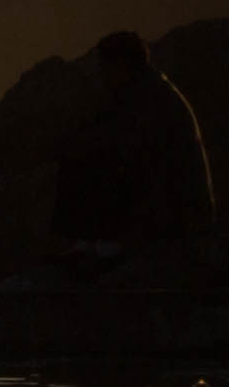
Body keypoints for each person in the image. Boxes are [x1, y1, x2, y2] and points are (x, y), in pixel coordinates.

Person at [47, 29, 217, 279]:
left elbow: (132, 153)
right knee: (82, 153)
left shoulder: (151, 99)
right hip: (175, 201)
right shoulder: (142, 92)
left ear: (121, 65)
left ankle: (106, 245)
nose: (101, 75)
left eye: (104, 67)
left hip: (178, 208)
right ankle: (94, 244)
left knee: (94, 159)